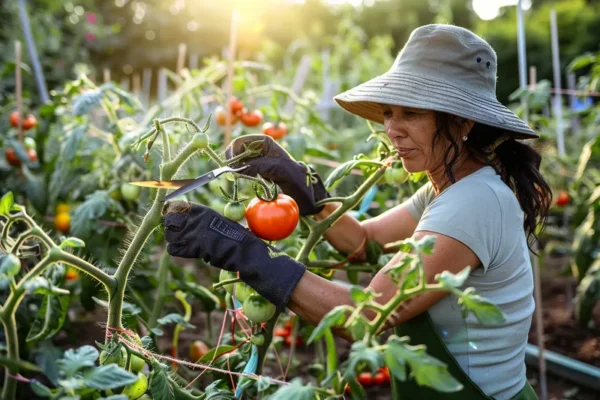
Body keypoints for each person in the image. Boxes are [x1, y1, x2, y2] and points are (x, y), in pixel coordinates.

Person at [161, 24, 550, 400]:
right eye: (387, 112)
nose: (392, 129)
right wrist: (299, 184)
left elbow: (365, 315)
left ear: (462, 122)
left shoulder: (472, 203)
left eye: (411, 114)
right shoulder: (449, 190)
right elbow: (361, 241)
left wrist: (242, 253)